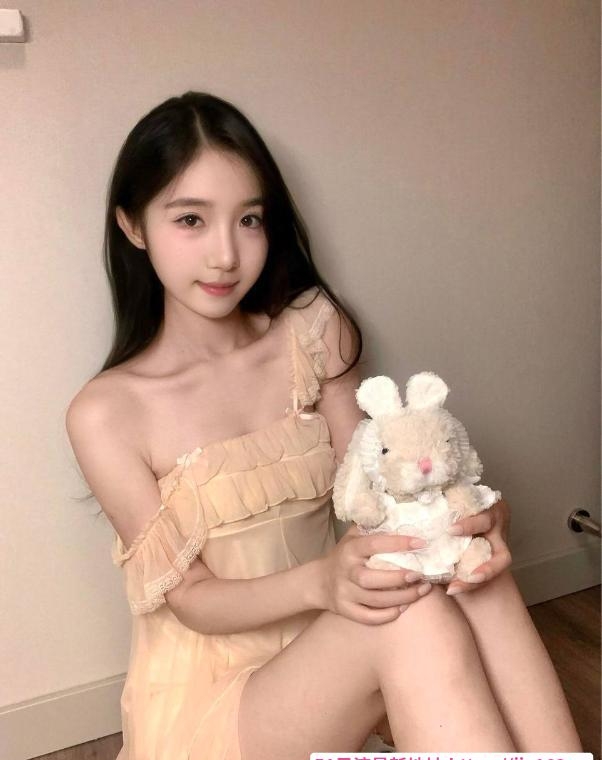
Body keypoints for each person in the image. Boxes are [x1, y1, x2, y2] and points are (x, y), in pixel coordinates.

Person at [65, 91, 582, 760]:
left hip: (329, 650)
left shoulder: (312, 333)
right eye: (191, 219)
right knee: (411, 613)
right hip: (215, 704)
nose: (225, 254)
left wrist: (480, 520)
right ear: (133, 226)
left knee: (471, 568)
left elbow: (381, 493)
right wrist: (321, 582)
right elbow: (190, 599)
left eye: (249, 220)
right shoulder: (108, 413)